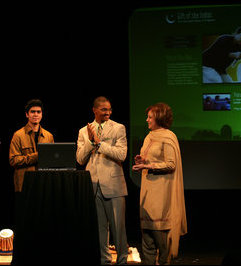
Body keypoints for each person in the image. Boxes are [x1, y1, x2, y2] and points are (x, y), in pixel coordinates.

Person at [132, 103, 187, 265]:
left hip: (162, 194)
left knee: (160, 239)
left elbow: (171, 164)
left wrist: (148, 166)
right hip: (148, 191)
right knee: (147, 239)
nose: (147, 120)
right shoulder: (150, 136)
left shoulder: (168, 137)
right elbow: (151, 158)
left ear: (159, 118)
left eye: (150, 117)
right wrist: (142, 161)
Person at [76, 96, 128, 265]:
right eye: (104, 109)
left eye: (110, 109)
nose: (108, 112)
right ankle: (104, 260)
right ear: (95, 110)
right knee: (99, 229)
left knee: (118, 228)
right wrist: (91, 142)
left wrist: (100, 144)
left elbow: (122, 155)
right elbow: (79, 160)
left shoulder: (118, 128)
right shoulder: (84, 131)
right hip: (93, 184)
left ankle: (122, 261)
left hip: (113, 184)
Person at [9, 99, 54, 192]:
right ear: (27, 114)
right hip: (25, 184)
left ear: (42, 114)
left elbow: (52, 161)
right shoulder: (18, 135)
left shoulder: (49, 136)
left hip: (44, 184)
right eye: (32, 112)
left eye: (38, 112)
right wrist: (36, 156)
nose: (36, 114)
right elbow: (13, 160)